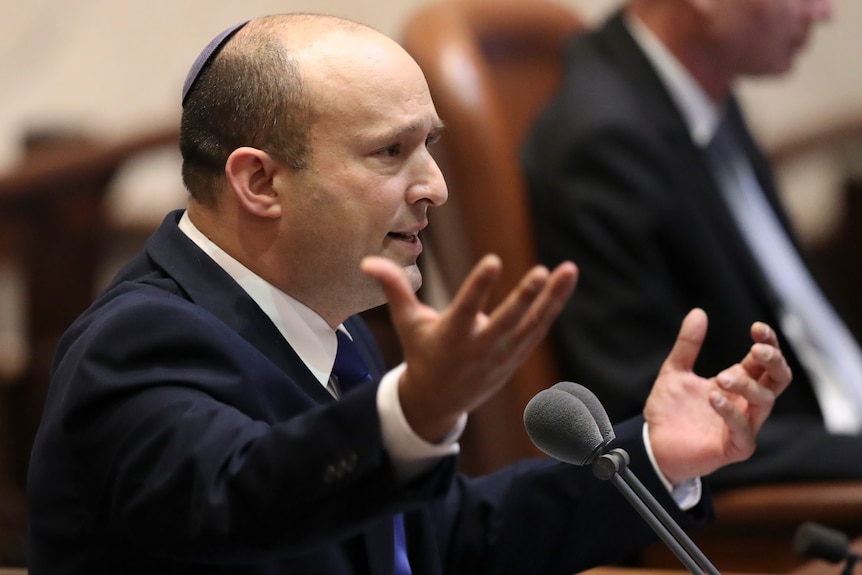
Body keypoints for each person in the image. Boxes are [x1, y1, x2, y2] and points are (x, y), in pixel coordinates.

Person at [27, 13, 790, 575]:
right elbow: (242, 494)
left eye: (431, 144)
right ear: (259, 181)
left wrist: (655, 457)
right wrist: (410, 414)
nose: (436, 185)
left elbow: (443, 540)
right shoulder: (137, 342)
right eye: (391, 151)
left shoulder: (332, 326)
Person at [521, 0, 855, 491]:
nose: (823, 12)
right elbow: (654, 431)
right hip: (786, 512)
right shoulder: (602, 143)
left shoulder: (702, 95)